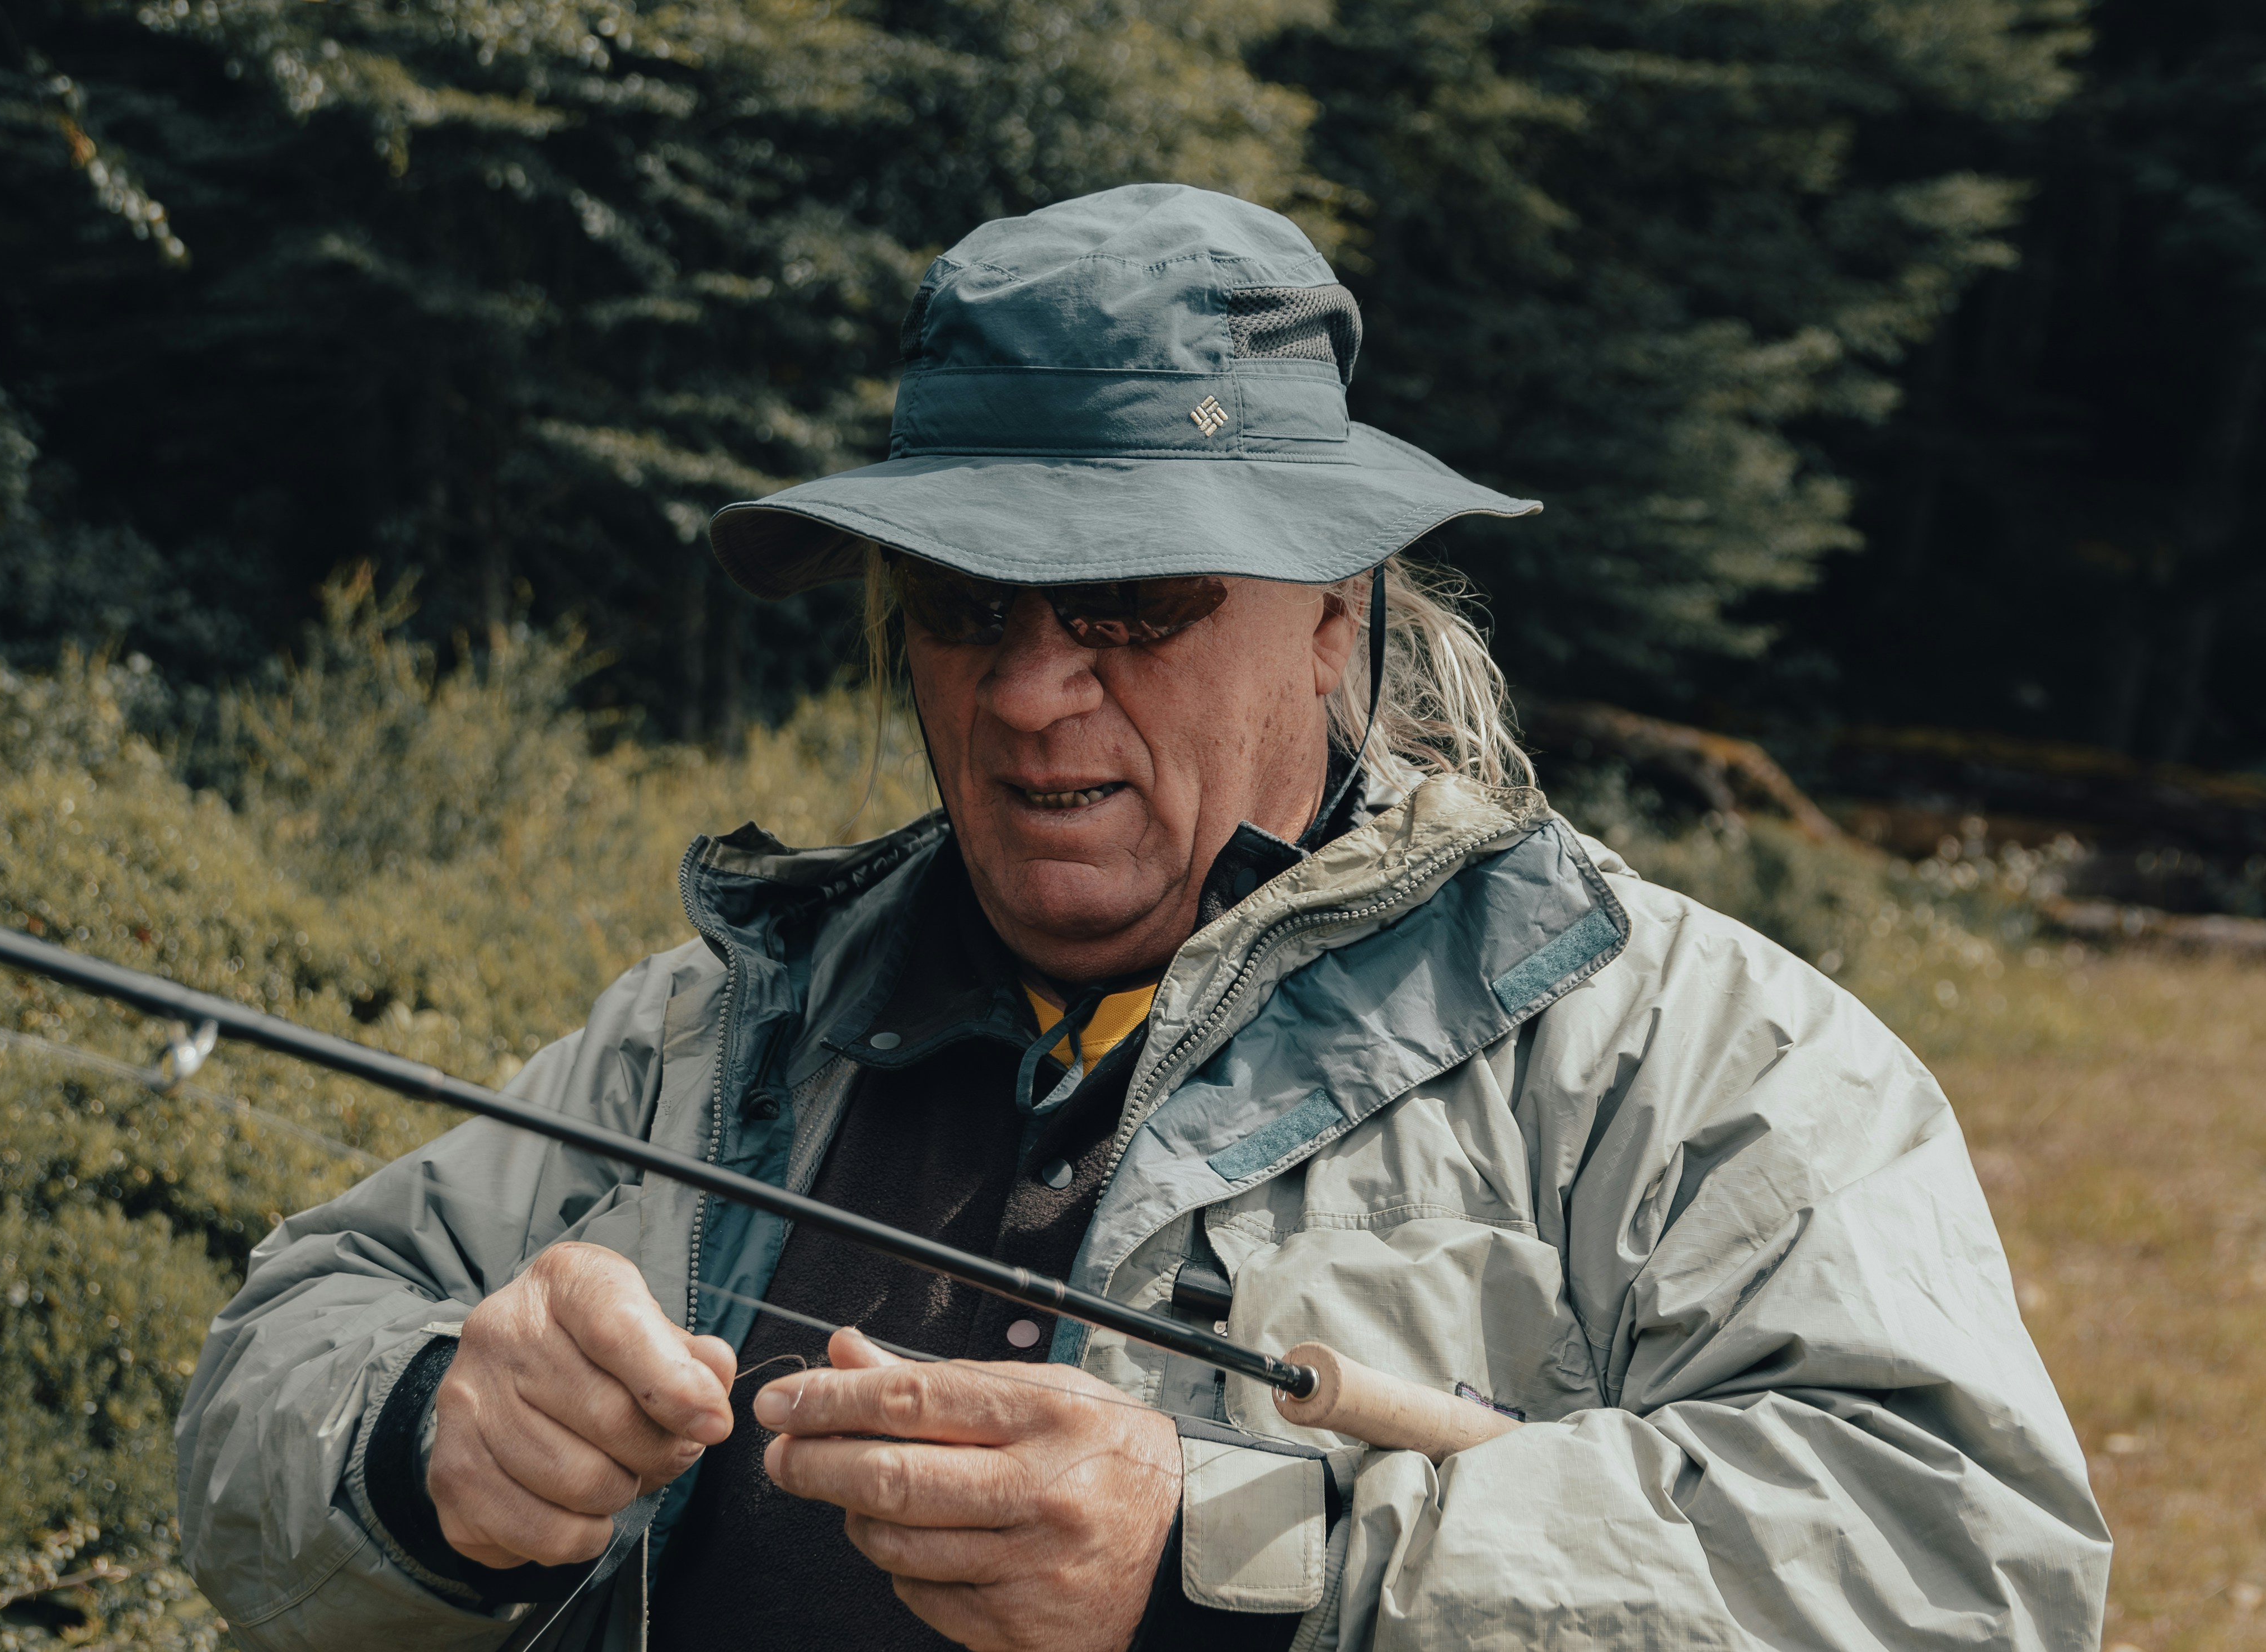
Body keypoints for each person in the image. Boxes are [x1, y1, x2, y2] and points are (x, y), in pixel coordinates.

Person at [175, 184, 2108, 1652]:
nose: (1032, 691)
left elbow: (1964, 1559)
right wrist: (427, 1441)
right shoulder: (713, 1027)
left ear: (1336, 611)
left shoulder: (1686, 1051)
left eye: (1131, 605)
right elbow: (278, 1359)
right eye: (969, 607)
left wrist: (1217, 1562)